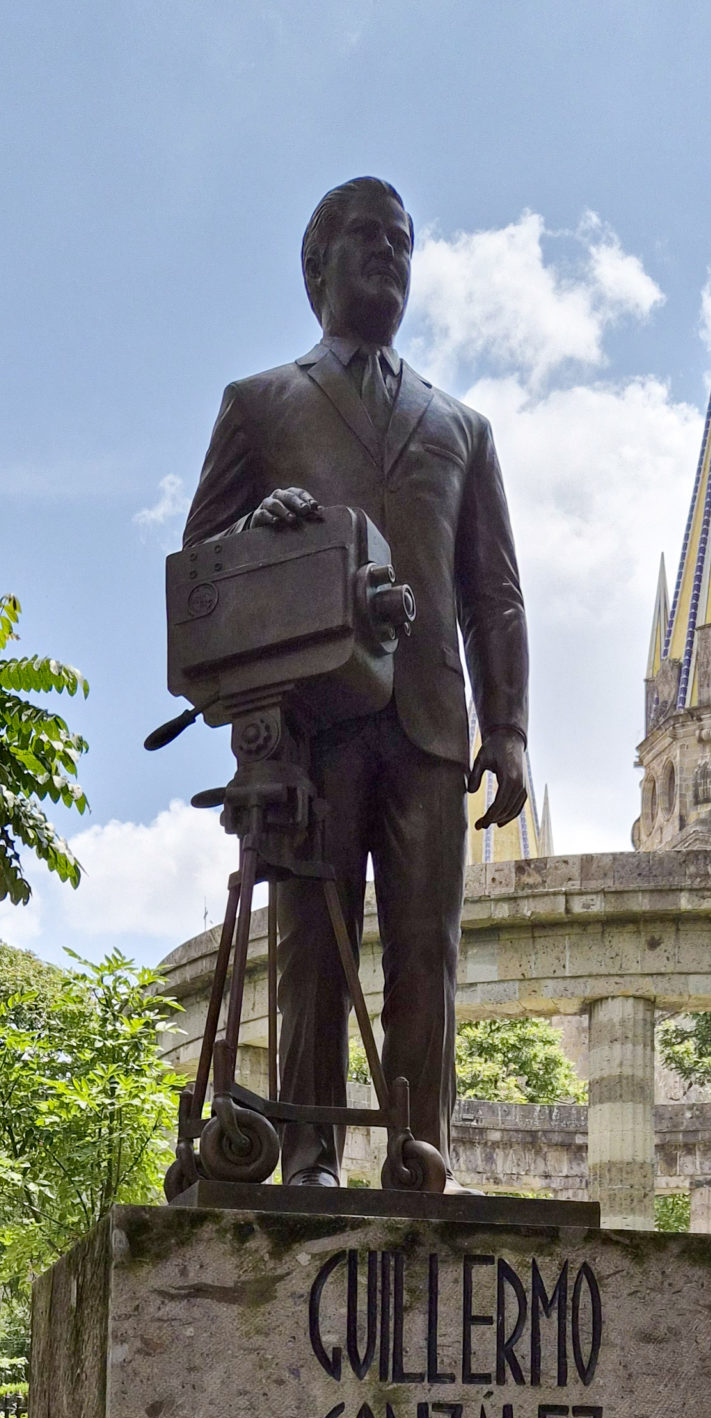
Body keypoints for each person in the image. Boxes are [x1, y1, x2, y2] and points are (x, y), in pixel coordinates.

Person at [184, 175, 529, 1186]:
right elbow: (198, 558)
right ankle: (309, 1155)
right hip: (311, 719)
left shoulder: (462, 427)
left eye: (403, 243)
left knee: (429, 955)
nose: (388, 256)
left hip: (428, 723)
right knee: (311, 950)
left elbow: (494, 594)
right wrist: (258, 531)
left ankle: (423, 1151)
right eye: (367, 239)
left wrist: (506, 728)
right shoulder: (259, 406)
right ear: (314, 267)